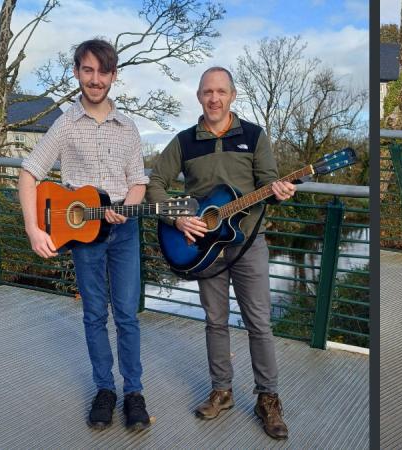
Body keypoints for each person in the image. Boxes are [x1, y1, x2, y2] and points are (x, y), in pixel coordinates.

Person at [145, 66, 295, 440]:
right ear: (199, 96)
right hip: (203, 249)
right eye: (207, 92)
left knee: (259, 323)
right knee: (215, 322)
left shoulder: (254, 136)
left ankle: (268, 400)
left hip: (247, 245)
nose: (214, 98)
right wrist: (179, 219)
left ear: (232, 95)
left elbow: (267, 182)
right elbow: (155, 184)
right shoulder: (183, 141)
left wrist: (278, 190)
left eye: (221, 91)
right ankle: (222, 391)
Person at [18, 39, 151, 431]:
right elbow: (29, 174)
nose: (96, 79)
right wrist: (32, 227)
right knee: (95, 315)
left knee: (127, 315)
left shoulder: (128, 128)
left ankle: (135, 393)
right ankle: (105, 390)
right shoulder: (64, 124)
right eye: (88, 70)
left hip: (123, 235)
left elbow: (139, 182)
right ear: (77, 72)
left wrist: (126, 207)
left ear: (114, 76)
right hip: (80, 234)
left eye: (103, 71)